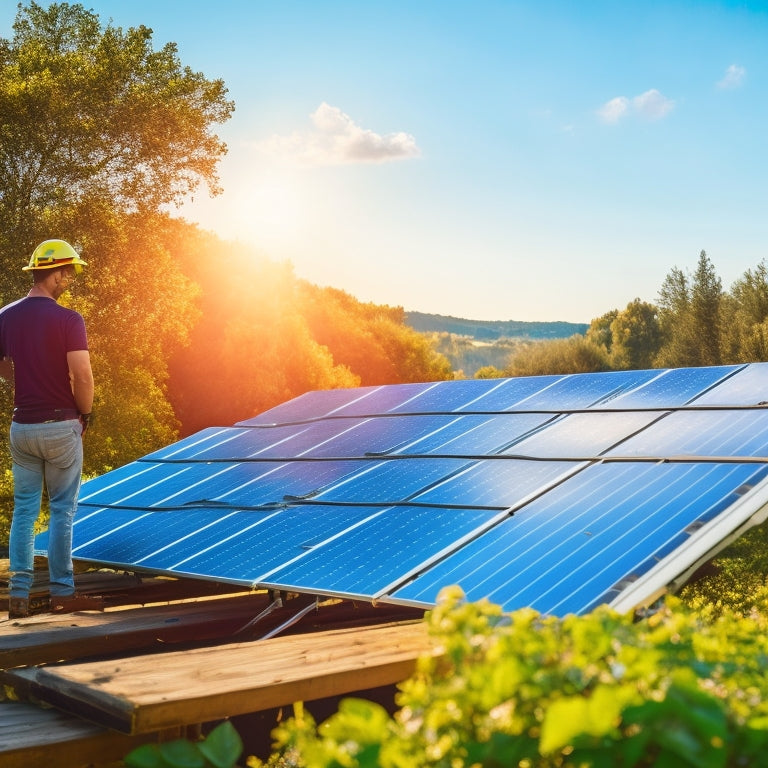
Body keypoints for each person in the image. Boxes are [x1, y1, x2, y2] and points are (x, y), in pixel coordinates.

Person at [0, 239, 100, 619]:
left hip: (21, 426)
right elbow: (82, 374)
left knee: (24, 512)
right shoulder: (68, 319)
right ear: (54, 273)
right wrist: (85, 415)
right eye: (68, 271)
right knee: (62, 510)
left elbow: (3, 366)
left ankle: (19, 597)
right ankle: (62, 593)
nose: (70, 278)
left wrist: (22, 379)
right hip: (60, 425)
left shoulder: (5, 316)